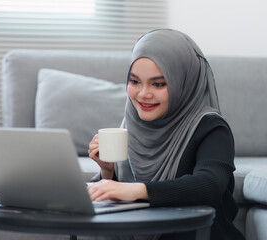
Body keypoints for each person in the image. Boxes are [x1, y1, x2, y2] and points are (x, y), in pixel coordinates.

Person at [87, 29, 245, 240]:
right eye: (135, 81)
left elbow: (210, 185)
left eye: (158, 84)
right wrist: (108, 172)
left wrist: (136, 190)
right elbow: (118, 201)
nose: (143, 94)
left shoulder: (212, 128)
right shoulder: (132, 123)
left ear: (183, 82)